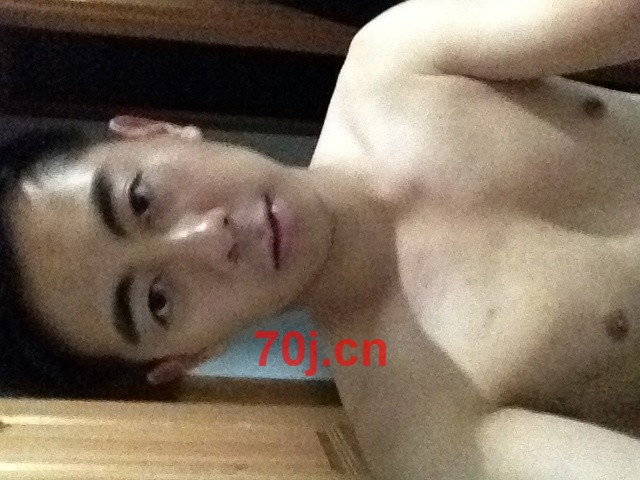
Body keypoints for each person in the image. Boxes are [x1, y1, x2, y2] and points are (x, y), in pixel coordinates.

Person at [3, 0, 640, 477]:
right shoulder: (420, 428)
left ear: (154, 131)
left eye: (141, 200)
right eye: (158, 301)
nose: (208, 239)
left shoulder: (396, 59)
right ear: (189, 354)